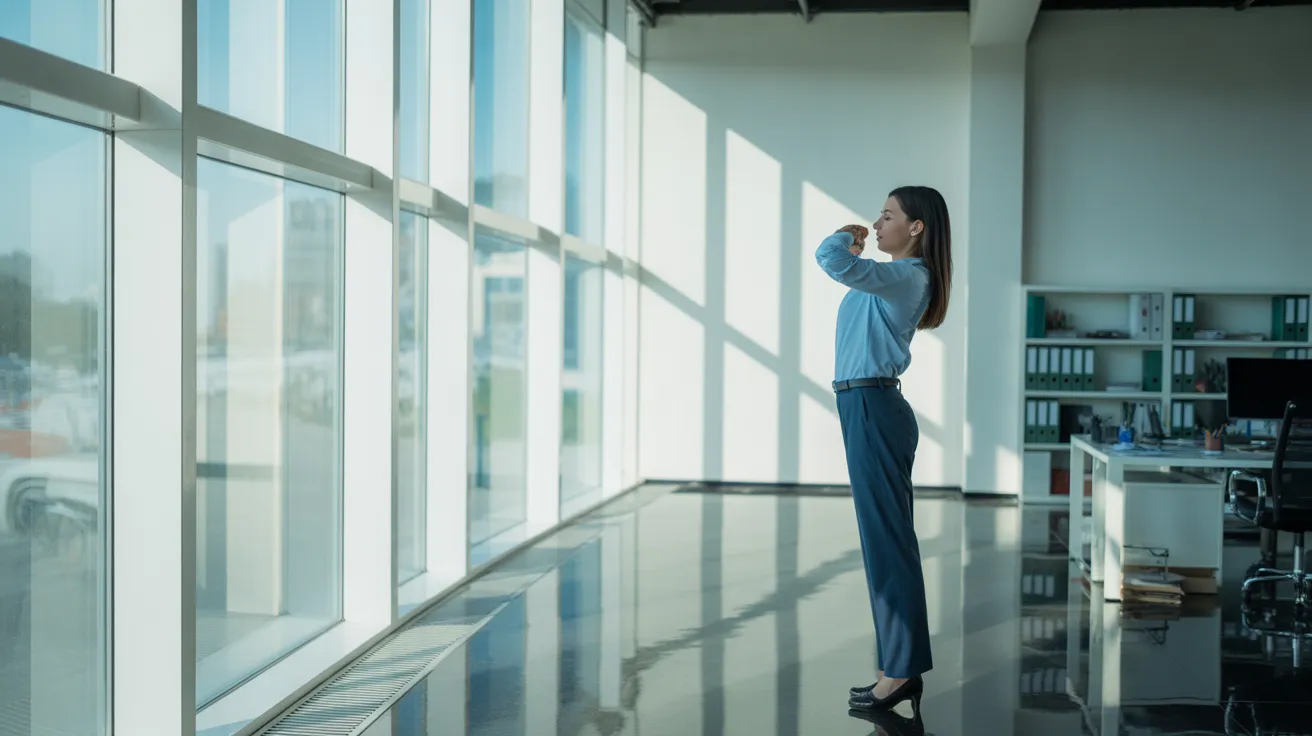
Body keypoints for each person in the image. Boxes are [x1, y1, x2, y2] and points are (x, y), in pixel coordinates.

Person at [813, 185, 953, 714]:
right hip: (864, 406)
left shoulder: (909, 274)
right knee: (883, 545)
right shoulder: (894, 278)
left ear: (917, 227)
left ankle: (900, 672)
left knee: (887, 545)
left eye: (888, 215)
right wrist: (857, 250)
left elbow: (832, 260)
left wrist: (843, 239)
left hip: (873, 406)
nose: (876, 223)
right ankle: (895, 666)